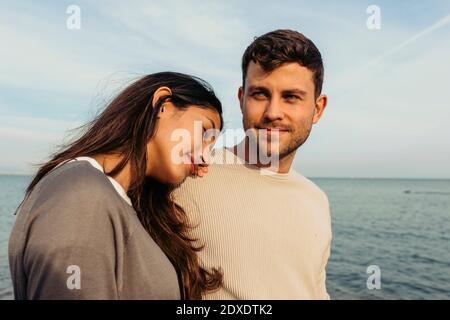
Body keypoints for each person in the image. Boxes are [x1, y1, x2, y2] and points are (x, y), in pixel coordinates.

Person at [9, 72, 223, 300]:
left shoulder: (115, 201)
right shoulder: (82, 193)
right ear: (163, 105)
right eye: (204, 132)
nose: (205, 159)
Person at [173, 29, 332, 299]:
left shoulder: (317, 200)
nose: (273, 113)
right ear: (241, 99)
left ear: (317, 109)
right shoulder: (187, 175)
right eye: (260, 94)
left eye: (291, 97)